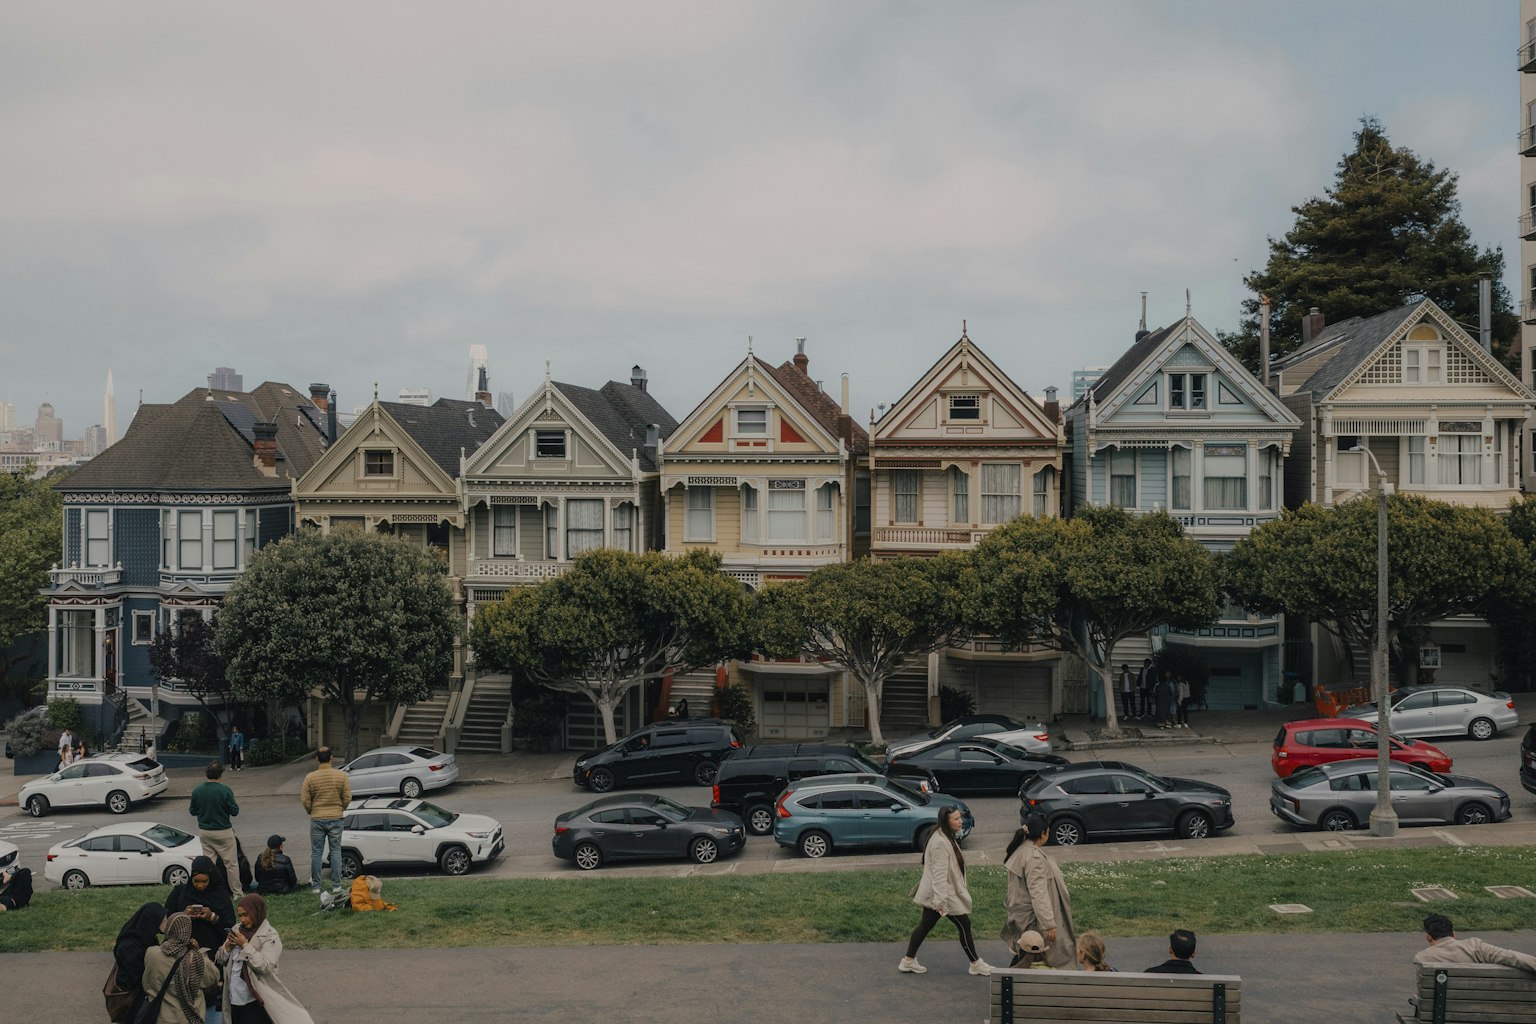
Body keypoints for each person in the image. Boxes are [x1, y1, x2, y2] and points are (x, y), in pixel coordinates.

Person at [900, 806, 993, 977]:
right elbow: (940, 875)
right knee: (964, 925)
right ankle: (975, 963)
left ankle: (908, 960)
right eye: (956, 819)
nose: (960, 821)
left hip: (937, 895)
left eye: (960, 818)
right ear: (946, 821)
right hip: (943, 896)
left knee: (925, 926)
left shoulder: (942, 836)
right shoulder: (940, 843)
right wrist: (941, 903)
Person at [216, 893, 316, 1024]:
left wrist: (245, 945)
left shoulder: (270, 936)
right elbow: (220, 960)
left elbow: (265, 966)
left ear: (256, 912)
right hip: (233, 997)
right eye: (240, 915)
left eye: (246, 915)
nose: (243, 920)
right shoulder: (236, 929)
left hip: (256, 999)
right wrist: (227, 947)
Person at [1001, 814, 1076, 968]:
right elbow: (1038, 893)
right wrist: (1049, 923)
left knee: (1026, 951)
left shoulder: (1021, 849)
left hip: (1022, 914)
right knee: (1039, 953)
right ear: (1043, 834)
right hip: (1033, 918)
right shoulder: (1034, 857)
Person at [142, 912, 219, 1024]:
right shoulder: (196, 959)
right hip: (189, 1018)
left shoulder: (152, 953)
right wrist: (199, 952)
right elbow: (214, 976)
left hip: (161, 1017)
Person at [300, 746, 351, 893]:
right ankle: (336, 885)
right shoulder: (341, 776)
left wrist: (311, 810)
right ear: (331, 758)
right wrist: (340, 808)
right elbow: (347, 797)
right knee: (336, 851)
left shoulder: (310, 777)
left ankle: (316, 885)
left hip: (317, 818)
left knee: (316, 852)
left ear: (317, 759)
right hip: (336, 817)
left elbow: (305, 799)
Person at [189, 760, 243, 899]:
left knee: (208, 864)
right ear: (220, 774)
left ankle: (209, 891)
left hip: (205, 831)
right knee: (231, 864)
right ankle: (237, 893)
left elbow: (192, 811)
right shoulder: (225, 790)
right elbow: (235, 811)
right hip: (223, 830)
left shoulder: (197, 790)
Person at [164, 855, 237, 954]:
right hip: (182, 947)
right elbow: (166, 921)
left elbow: (229, 926)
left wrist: (212, 917)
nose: (200, 885)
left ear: (211, 878)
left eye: (204, 881)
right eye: (196, 881)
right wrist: (183, 915)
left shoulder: (220, 895)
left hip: (213, 948)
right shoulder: (180, 892)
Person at [1415, 913, 1536, 972]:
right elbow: (1510, 957)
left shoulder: (1422, 958)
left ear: (1429, 937)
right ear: (1453, 934)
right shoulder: (1475, 947)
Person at [112, 902, 165, 1017]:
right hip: (132, 998)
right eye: (163, 918)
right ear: (153, 920)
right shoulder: (129, 945)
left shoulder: (148, 938)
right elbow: (138, 976)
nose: (166, 920)